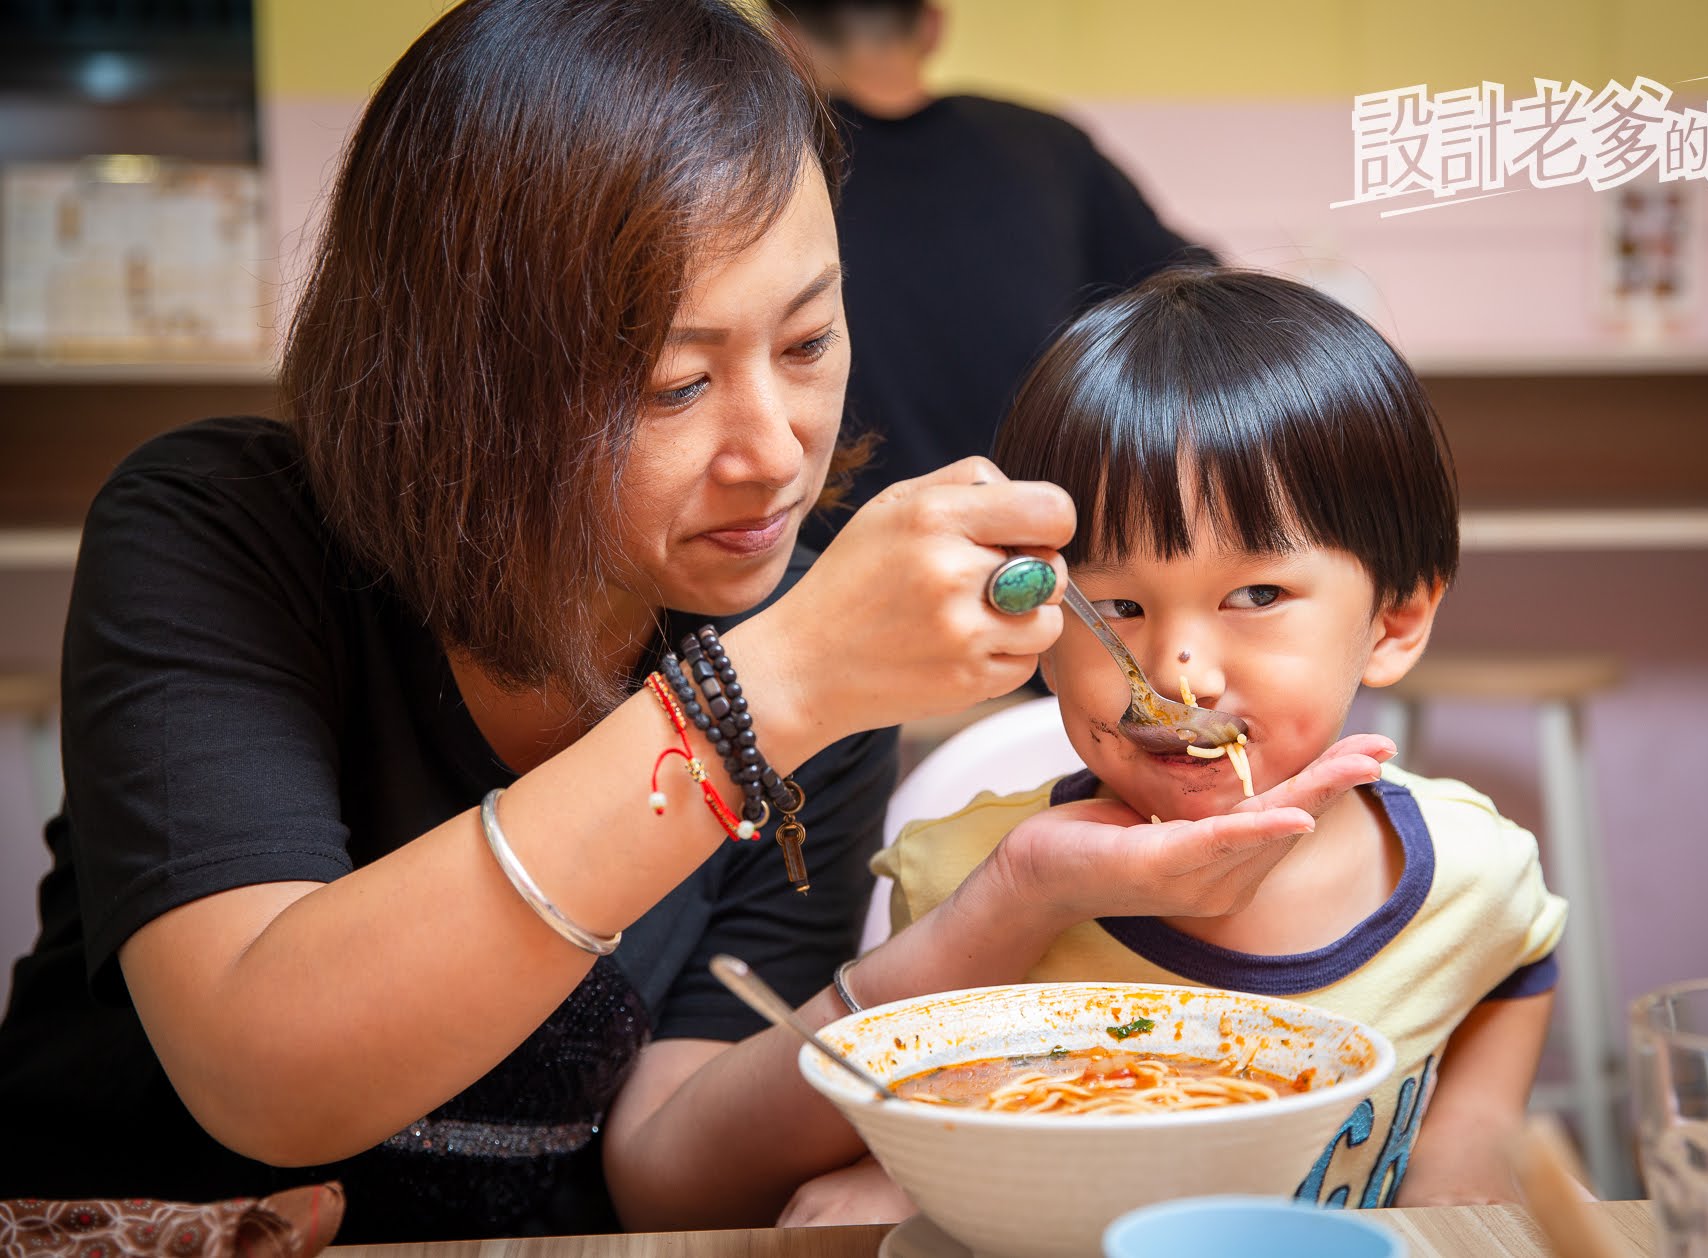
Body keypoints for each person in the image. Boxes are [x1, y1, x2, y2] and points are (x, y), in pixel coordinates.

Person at [0, 3, 1383, 1242]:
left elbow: (669, 1162)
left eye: (806, 343)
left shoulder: (810, 642)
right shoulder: (220, 531)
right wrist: (768, 687)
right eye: (671, 383)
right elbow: (268, 1069)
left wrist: (1014, 899)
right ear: (450, 372)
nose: (776, 452)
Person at [782, 268, 1568, 1224]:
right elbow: (922, 1133)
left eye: (1258, 597)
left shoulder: (1473, 874)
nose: (1180, 672)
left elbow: (1512, 975)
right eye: (1116, 606)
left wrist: (1463, 1164)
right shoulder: (962, 882)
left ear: (1394, 623)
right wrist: (900, 1183)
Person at [769, 0, 1215, 550]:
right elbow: (1196, 296)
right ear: (932, 27)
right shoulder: (1045, 146)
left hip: (836, 553)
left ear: (781, 40)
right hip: (1041, 542)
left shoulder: (773, 169)